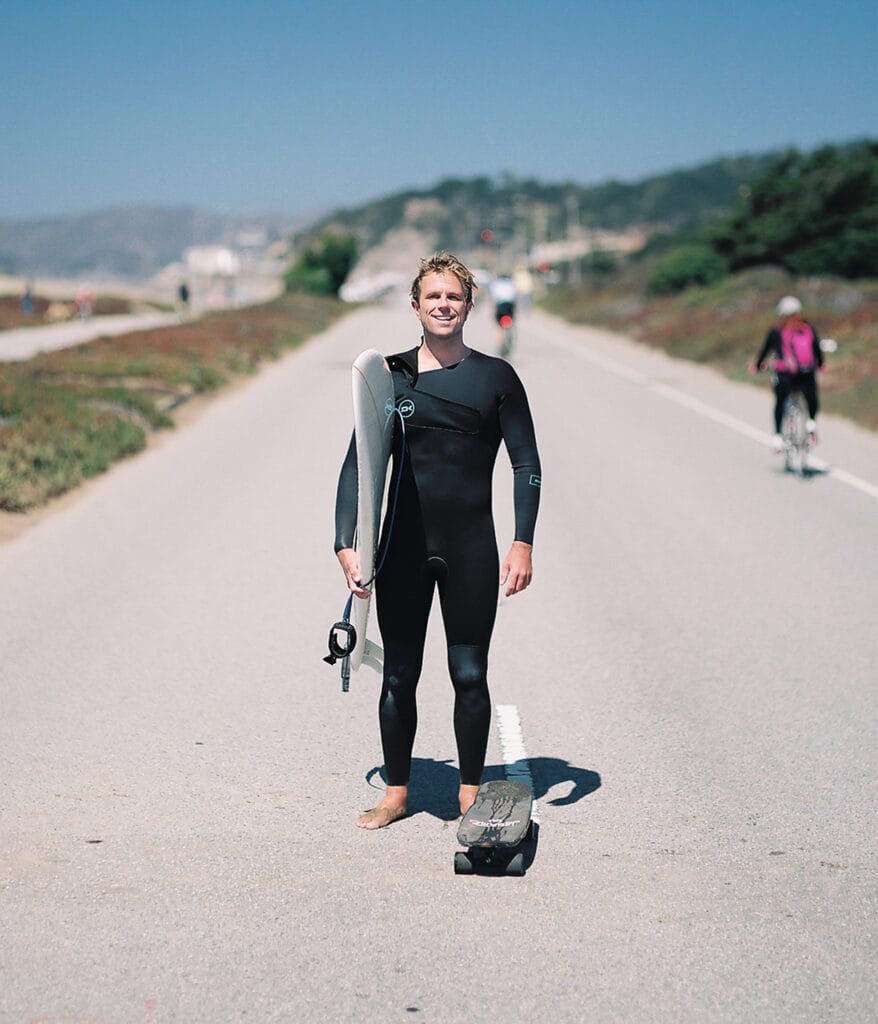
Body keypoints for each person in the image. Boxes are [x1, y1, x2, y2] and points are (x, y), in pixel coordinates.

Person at [334, 252, 541, 830]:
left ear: (469, 306)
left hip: (470, 547)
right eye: (433, 296)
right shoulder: (390, 377)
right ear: (415, 305)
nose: (443, 305)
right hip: (401, 548)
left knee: (469, 674)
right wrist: (346, 542)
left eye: (454, 296)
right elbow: (358, 465)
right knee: (399, 674)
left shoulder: (497, 378)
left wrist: (522, 542)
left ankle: (469, 793)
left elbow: (526, 464)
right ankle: (396, 794)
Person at [752, 295, 824, 450]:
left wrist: (757, 366)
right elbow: (816, 350)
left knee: (780, 401)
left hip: (785, 374)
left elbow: (765, 350)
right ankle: (811, 424)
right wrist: (820, 364)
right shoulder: (807, 328)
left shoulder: (777, 330)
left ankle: (778, 436)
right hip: (806, 373)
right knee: (811, 397)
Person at [488, 273, 517, 347]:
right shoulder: (511, 283)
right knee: (510, 322)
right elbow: (514, 296)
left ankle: (500, 342)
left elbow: (493, 297)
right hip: (509, 306)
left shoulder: (496, 284)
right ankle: (509, 333)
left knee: (498, 326)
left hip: (500, 306)